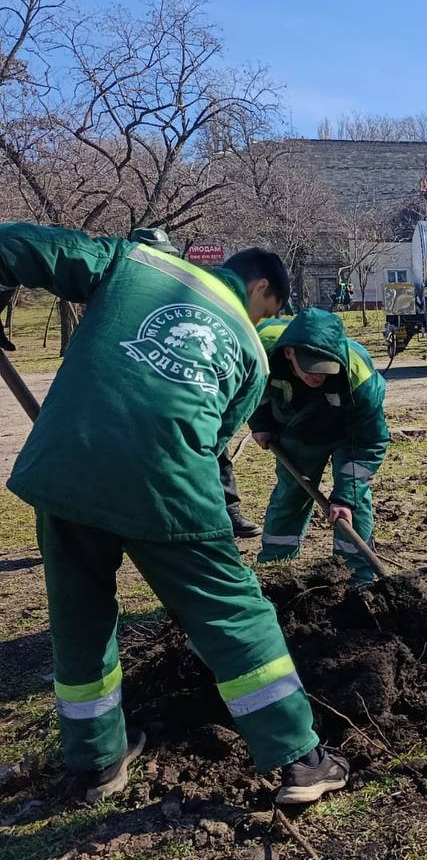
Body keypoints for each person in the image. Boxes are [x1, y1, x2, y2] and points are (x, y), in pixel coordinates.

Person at [0, 222, 348, 805]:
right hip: (168, 481)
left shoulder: (133, 263)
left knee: (79, 616)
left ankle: (96, 763)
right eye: (269, 313)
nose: (263, 325)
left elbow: (24, 244)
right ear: (261, 287)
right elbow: (212, 448)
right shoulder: (250, 350)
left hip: (68, 466)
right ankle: (300, 758)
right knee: (231, 611)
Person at [130, 229, 261, 538]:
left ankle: (227, 512)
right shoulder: (120, 289)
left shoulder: (184, 293)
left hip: (189, 385)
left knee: (213, 445)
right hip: (135, 390)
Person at [252, 308, 389, 588]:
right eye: (312, 369)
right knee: (291, 493)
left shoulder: (358, 375)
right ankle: (275, 574)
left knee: (353, 505)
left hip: (348, 433)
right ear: (290, 353)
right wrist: (260, 422)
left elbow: (369, 440)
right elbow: (248, 388)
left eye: (326, 370)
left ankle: (357, 580)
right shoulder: (261, 348)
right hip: (294, 428)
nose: (319, 377)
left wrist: (345, 498)